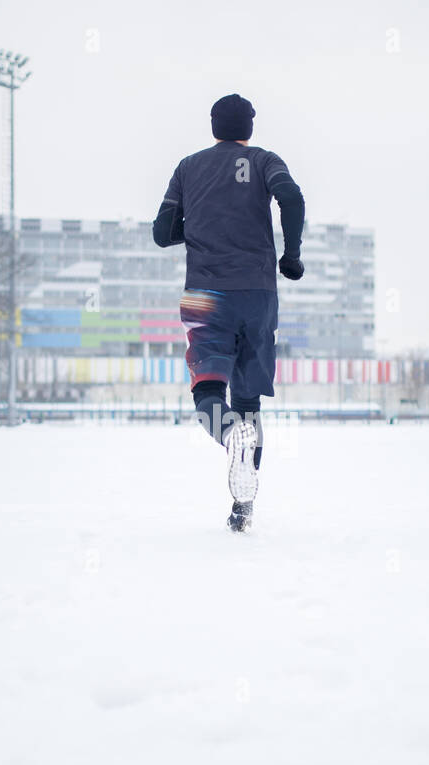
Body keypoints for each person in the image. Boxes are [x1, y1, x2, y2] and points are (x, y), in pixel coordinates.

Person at [152, 93, 306, 532]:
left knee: (208, 394)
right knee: (248, 401)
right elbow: (291, 198)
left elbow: (163, 233)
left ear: (214, 126)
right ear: (249, 127)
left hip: (204, 294)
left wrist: (202, 227)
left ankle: (226, 433)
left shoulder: (187, 167)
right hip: (256, 293)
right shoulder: (263, 160)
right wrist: (290, 255)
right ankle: (243, 509)